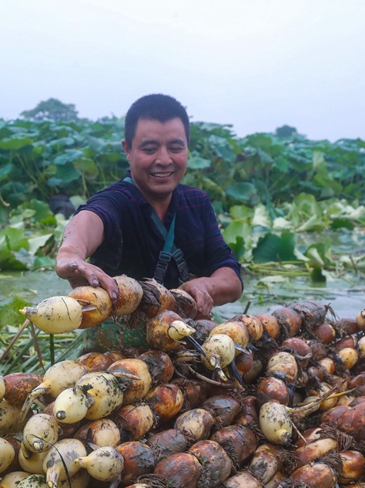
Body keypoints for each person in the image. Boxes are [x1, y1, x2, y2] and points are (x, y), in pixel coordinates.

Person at [55, 94, 243, 320]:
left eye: (175, 147)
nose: (164, 159)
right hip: (116, 347)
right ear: (128, 150)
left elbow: (231, 277)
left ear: (187, 148)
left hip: (186, 338)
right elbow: (90, 218)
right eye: (150, 148)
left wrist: (207, 286)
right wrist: (70, 254)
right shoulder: (116, 201)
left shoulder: (198, 202)